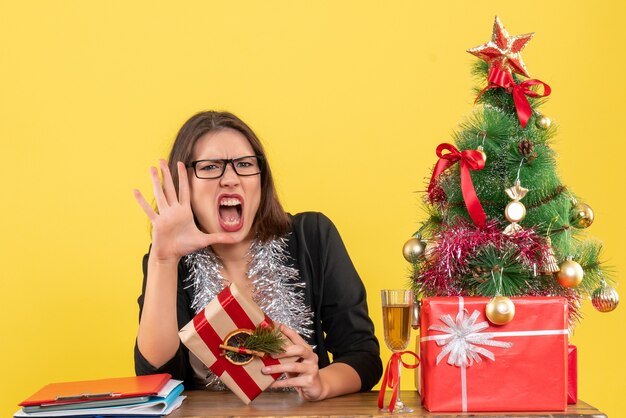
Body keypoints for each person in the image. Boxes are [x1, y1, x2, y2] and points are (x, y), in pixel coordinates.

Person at [133, 111, 382, 401]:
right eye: (211, 167)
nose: (230, 179)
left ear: (261, 181)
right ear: (184, 184)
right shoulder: (170, 260)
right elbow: (154, 376)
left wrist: (320, 383)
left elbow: (363, 356)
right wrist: (164, 260)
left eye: (245, 164)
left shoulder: (313, 236)